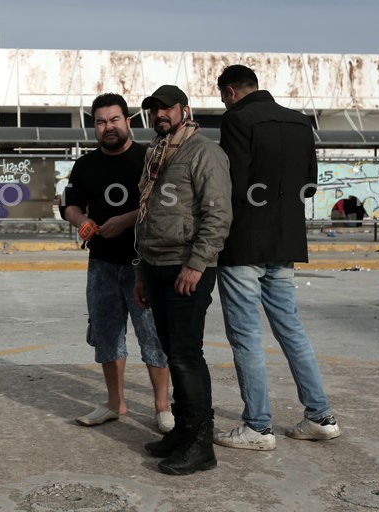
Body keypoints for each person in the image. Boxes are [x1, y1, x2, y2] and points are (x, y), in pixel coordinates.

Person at [214, 64, 341, 452]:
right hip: (284, 243)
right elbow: (311, 184)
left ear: (231, 92)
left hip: (242, 247)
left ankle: (257, 426)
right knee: (291, 329)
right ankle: (320, 416)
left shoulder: (237, 119)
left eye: (223, 97)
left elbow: (232, 185)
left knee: (246, 337)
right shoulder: (300, 123)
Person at [131, 84, 232, 476]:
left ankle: (200, 444)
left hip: (185, 266)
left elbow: (218, 214)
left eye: (166, 108)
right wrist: (141, 271)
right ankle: (182, 432)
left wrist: (197, 264)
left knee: (187, 356)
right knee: (174, 354)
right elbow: (144, 215)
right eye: (154, 110)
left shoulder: (204, 152)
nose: (159, 115)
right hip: (156, 265)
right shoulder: (156, 154)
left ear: (183, 110)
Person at [60, 93, 173, 433]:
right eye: (100, 122)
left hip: (144, 262)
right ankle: (114, 403)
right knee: (106, 335)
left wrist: (124, 221)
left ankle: (162, 407)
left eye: (113, 120)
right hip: (102, 264)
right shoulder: (85, 165)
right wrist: (81, 221)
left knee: (153, 336)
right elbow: (70, 205)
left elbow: (162, 205)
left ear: (127, 121)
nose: (107, 127)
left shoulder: (149, 159)